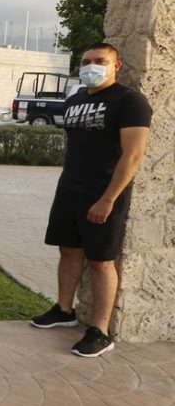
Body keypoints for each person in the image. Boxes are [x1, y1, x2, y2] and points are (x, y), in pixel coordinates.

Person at [32, 43, 152, 358]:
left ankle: (100, 330)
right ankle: (64, 309)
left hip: (104, 192)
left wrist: (108, 199)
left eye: (100, 61)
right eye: (85, 62)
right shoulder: (74, 100)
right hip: (70, 188)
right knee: (68, 250)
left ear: (116, 65)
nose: (91, 67)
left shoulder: (130, 101)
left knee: (101, 261)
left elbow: (133, 154)